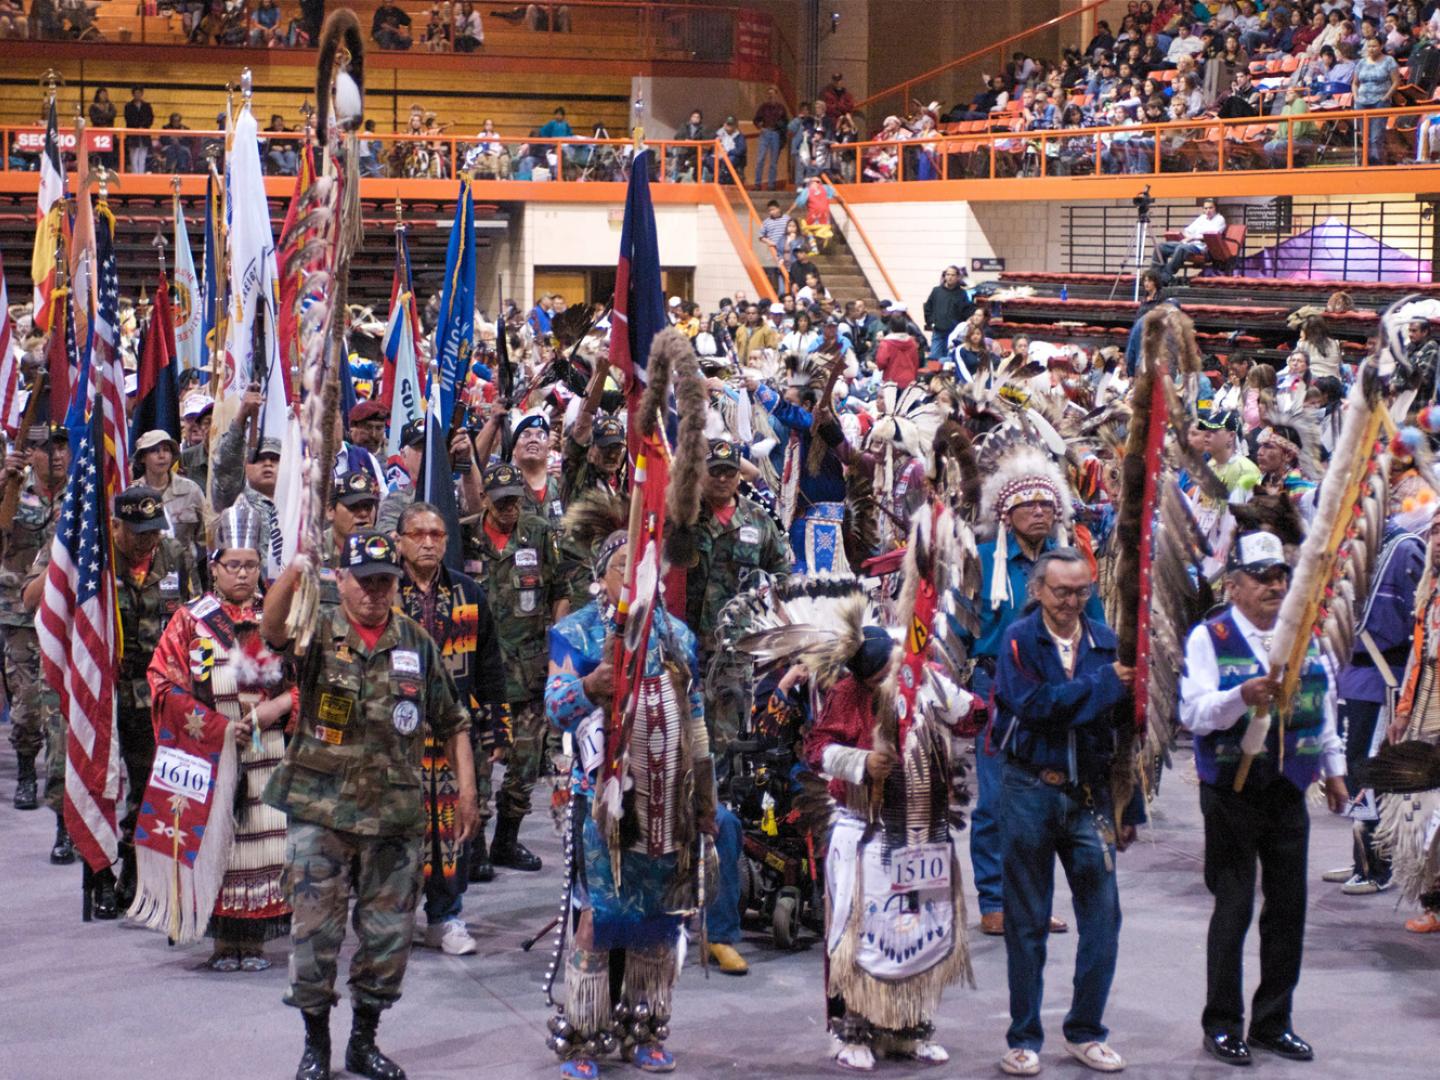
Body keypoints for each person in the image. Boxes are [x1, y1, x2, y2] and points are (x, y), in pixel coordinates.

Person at [262, 530, 476, 1080]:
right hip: (321, 810)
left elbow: (452, 720)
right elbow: (271, 630)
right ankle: (315, 1045)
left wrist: (467, 789)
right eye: (366, 581)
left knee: (387, 939)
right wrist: (293, 572)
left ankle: (363, 1041)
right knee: (314, 936)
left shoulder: (415, 641)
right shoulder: (319, 628)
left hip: (394, 814)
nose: (377, 593)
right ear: (342, 579)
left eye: (386, 582)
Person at [543, 514, 714, 1077]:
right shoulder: (579, 632)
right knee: (601, 916)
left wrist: (704, 798)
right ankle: (586, 1035)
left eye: (645, 571)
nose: (637, 580)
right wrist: (590, 686)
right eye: (624, 568)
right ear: (602, 577)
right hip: (602, 799)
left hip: (667, 798)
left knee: (660, 918)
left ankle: (644, 1028)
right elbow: (555, 706)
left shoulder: (676, 635)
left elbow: (696, 720)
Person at [1178, 531, 1348, 1068]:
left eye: (1281, 577)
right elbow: (1194, 714)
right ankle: (1223, 1024)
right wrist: (1239, 696)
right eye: (1263, 577)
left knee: (1288, 909)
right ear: (1234, 585)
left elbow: (1326, 708)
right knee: (1232, 906)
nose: (1275, 586)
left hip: (1289, 787)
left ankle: (1274, 1020)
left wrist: (1335, 771)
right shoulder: (1211, 636)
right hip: (1231, 789)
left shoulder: (1307, 638)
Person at [795, 581, 975, 1071]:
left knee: (921, 927)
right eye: (881, 675)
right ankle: (851, 1028)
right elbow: (816, 749)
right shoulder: (849, 694)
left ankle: (908, 1027)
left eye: (895, 667)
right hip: (864, 831)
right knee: (859, 930)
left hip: (924, 831)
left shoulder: (926, 678)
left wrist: (972, 702)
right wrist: (860, 761)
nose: (891, 678)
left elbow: (971, 714)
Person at [993, 548, 1139, 1077]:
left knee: (1103, 920)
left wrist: (1130, 807)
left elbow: (1127, 736)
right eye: (1061, 592)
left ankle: (1085, 1031)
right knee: (1027, 920)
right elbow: (1038, 707)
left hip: (1091, 799)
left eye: (1081, 591)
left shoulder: (1107, 644)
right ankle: (1023, 1037)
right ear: (1038, 591)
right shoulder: (1017, 640)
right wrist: (1104, 686)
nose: (1072, 602)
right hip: (1028, 790)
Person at [143, 503, 293, 971]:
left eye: (251, 564)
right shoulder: (190, 620)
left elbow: (311, 681)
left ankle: (255, 941)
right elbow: (162, 682)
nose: (244, 574)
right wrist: (219, 728)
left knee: (263, 843)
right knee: (221, 845)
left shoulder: (279, 617)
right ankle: (224, 941)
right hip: (212, 751)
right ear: (214, 566)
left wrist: (278, 707)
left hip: (269, 751)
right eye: (234, 565)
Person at [965, 444, 1092, 939]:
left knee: (1048, 803)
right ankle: (995, 901)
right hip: (995, 686)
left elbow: (1095, 626)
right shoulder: (982, 560)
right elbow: (955, 628)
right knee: (997, 800)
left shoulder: (1071, 564)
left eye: (1045, 504)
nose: (1038, 511)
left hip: (1059, 687)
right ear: (1007, 513)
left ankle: (1032, 903)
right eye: (1027, 504)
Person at [395, 501, 509, 933]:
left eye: (436, 535)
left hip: (454, 733)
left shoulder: (470, 594)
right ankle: (395, 916)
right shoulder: (385, 592)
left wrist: (498, 726)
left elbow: (490, 667)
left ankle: (446, 914)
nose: (428, 542)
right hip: (398, 735)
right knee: (400, 825)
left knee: (456, 824)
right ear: (399, 541)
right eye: (418, 534)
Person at [469, 463, 566, 873]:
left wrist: (556, 640)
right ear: (485, 498)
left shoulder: (539, 532)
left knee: (525, 762)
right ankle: (472, 844)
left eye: (516, 500)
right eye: (503, 500)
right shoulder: (465, 536)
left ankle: (506, 840)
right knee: (475, 762)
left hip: (527, 668)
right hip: (477, 670)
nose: (511, 508)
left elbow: (560, 588)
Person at [1325, 513, 1425, 895]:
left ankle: (1376, 866)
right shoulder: (1353, 546)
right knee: (1354, 769)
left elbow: (1417, 621)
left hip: (1383, 680)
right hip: (1355, 676)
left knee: (1369, 772)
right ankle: (1360, 859)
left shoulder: (1404, 550)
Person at [0, 423, 67, 824]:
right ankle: (27, 770)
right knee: (25, 701)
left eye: (61, 448)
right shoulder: (15, 491)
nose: (56, 456)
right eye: (46, 449)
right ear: (31, 455)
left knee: (57, 703)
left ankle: (60, 779)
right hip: (20, 612)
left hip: (63, 616)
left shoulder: (82, 494)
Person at [133, 428, 210, 554]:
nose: (162, 456)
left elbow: (205, 536)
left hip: (185, 569)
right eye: (154, 451)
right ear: (142, 458)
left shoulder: (191, 490)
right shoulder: (133, 494)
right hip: (146, 569)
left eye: (166, 450)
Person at [1153, 197, 1226, 284]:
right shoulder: (1202, 218)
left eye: (1211, 208)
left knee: (1181, 248)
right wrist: (1188, 238)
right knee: (1160, 247)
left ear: (1215, 208)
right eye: (1205, 208)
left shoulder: (1220, 219)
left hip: (1202, 248)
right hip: (1190, 244)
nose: (1208, 210)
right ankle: (1155, 276)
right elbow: (1188, 231)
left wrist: (1193, 237)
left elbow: (1211, 235)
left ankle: (1165, 275)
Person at [1353, 34, 1399, 164]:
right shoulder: (1361, 62)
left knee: (1376, 137)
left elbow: (1396, 82)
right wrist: (1356, 97)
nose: (1371, 49)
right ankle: (1367, 163)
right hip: (1362, 103)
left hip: (1380, 101)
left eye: (1374, 46)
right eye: (1369, 46)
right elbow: (1355, 83)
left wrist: (1386, 97)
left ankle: (1377, 163)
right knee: (1365, 136)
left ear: (1381, 46)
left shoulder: (1389, 60)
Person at [922, 266, 975, 363]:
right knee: (934, 359)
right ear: (945, 276)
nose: (950, 277)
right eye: (948, 274)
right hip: (938, 331)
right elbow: (928, 307)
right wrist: (931, 322)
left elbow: (967, 311)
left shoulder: (962, 294)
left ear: (958, 277)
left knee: (950, 360)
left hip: (953, 333)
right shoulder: (936, 291)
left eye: (953, 275)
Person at [752, 86, 788, 189]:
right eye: (769, 94)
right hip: (765, 132)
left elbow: (786, 122)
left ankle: (771, 184)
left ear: (776, 95)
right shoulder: (763, 107)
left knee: (773, 161)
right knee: (760, 159)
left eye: (773, 94)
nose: (771, 96)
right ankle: (757, 184)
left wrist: (781, 129)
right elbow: (756, 120)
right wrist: (760, 127)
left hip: (775, 134)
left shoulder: (781, 108)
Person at [874, 312, 921, 388]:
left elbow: (881, 362)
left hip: (891, 380)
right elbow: (916, 362)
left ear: (891, 327)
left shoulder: (886, 343)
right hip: (909, 380)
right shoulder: (912, 342)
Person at [124, 85, 154, 175]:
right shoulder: (128, 106)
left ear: (142, 94)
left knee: (142, 157)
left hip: (144, 134)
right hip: (133, 134)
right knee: (133, 157)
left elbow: (150, 118)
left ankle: (141, 175)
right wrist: (137, 127)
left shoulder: (147, 106)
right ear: (133, 94)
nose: (138, 95)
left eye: (139, 93)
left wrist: (143, 126)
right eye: (136, 93)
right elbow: (128, 119)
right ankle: (134, 175)